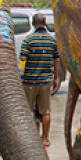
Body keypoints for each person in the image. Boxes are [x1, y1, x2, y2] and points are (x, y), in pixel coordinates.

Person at [20, 13, 60, 147]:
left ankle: (34, 138)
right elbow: (57, 60)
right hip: (46, 81)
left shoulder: (28, 39)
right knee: (45, 111)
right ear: (44, 22)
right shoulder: (52, 40)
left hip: (30, 81)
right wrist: (56, 78)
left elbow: (23, 58)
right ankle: (45, 139)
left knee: (30, 110)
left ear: (32, 24)